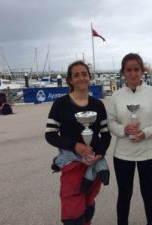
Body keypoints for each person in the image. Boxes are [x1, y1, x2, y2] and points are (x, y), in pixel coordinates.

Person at [45, 60, 111, 225]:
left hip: (94, 163)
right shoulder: (60, 104)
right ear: (70, 80)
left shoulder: (98, 105)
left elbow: (106, 134)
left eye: (84, 74)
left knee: (88, 202)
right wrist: (75, 146)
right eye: (76, 75)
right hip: (72, 163)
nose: (81, 78)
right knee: (72, 210)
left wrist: (100, 153)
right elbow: (50, 135)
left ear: (89, 77)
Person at [107, 53, 152, 225]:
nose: (133, 74)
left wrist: (146, 133)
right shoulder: (116, 96)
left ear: (142, 71)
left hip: (148, 153)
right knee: (124, 195)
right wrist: (123, 129)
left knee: (148, 194)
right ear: (123, 72)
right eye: (129, 70)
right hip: (123, 154)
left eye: (136, 70)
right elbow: (110, 122)